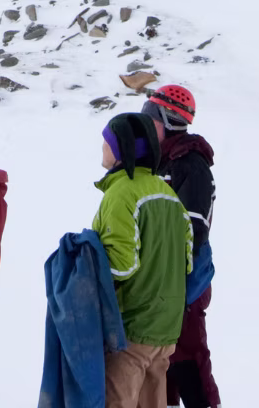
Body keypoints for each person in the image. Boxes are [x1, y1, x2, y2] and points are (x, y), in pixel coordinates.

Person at [91, 113, 191, 408]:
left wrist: (83, 265)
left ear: (121, 149)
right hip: (166, 331)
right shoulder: (169, 194)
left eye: (106, 142)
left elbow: (121, 264)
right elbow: (186, 262)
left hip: (131, 330)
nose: (102, 147)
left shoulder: (121, 194)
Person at [140, 85, 222, 408]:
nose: (146, 124)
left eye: (151, 116)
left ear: (169, 121)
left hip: (184, 283)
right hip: (159, 285)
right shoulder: (159, 162)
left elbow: (193, 230)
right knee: (162, 369)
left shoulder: (191, 164)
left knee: (189, 361)